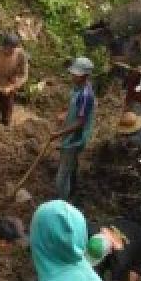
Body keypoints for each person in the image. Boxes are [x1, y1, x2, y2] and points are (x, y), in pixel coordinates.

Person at [49, 56, 96, 201]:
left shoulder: (86, 95)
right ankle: (74, 189)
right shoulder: (77, 88)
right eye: (73, 73)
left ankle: (61, 200)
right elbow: (74, 108)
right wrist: (65, 114)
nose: (73, 76)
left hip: (75, 138)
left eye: (77, 74)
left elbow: (80, 123)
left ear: (86, 76)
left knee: (62, 176)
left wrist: (58, 134)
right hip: (70, 133)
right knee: (71, 165)